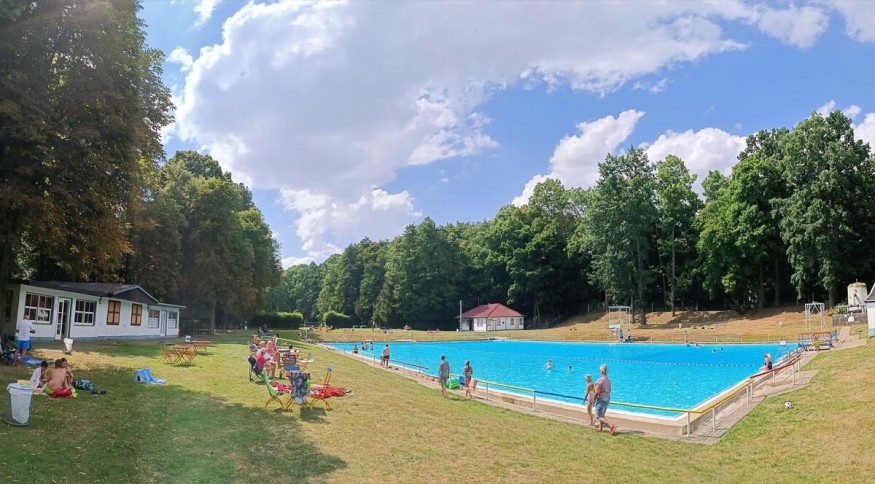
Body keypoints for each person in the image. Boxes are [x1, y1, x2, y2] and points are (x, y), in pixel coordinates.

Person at [593, 364, 616, 435]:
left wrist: (593, 400)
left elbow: (597, 393)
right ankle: (600, 428)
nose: (599, 372)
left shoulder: (600, 380)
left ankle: (611, 426)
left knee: (598, 416)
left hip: (601, 399)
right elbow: (610, 390)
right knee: (602, 414)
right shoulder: (608, 380)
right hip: (607, 398)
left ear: (602, 371)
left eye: (599, 370)